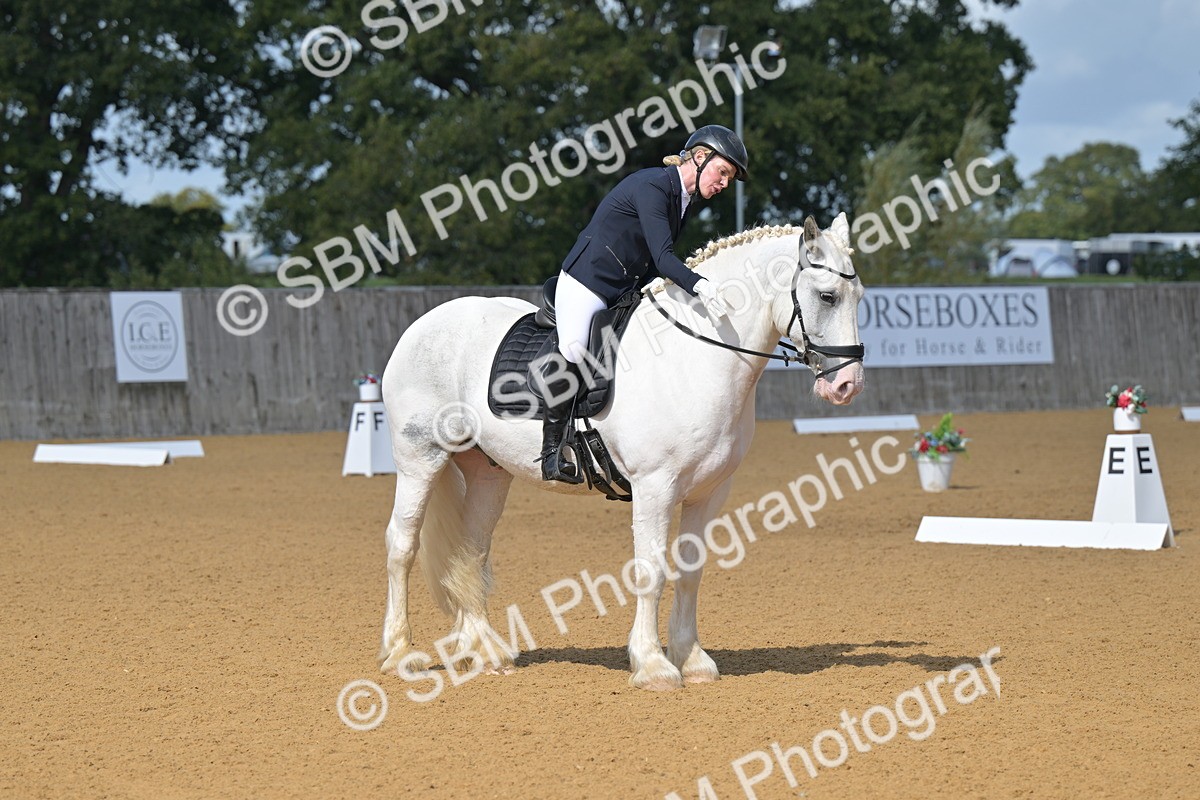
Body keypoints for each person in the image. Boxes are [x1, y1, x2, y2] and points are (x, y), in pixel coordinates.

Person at [539, 124, 749, 484]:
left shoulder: (681, 200)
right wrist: (700, 285)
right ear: (700, 158)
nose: (724, 183)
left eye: (729, 177)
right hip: (588, 281)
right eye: (723, 172)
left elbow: (654, 263)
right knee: (574, 349)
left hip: (622, 288)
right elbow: (665, 258)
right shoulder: (655, 186)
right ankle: (552, 451)